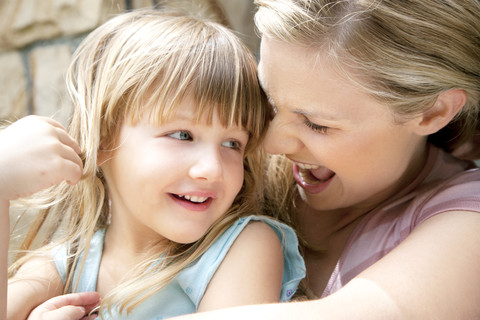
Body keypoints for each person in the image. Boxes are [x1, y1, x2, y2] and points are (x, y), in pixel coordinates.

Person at [169, 0, 480, 319]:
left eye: (318, 125)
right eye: (271, 102)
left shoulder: (469, 226)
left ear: (433, 112)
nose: (272, 143)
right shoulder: (223, 163)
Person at [0, 9, 306, 320]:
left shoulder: (245, 247)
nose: (212, 168)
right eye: (183, 135)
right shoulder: (68, 261)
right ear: (103, 140)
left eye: (232, 144)